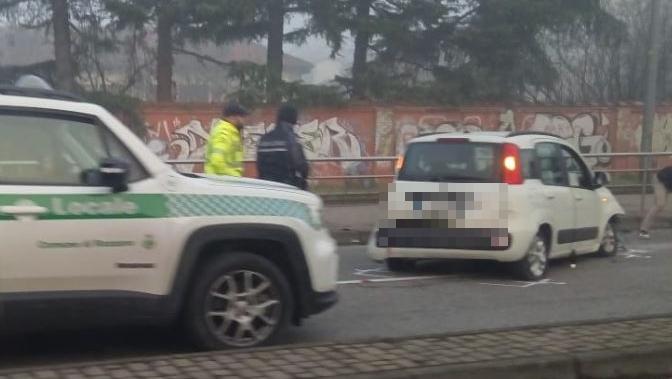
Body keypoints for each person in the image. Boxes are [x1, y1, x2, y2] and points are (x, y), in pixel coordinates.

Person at [256, 104, 309, 190]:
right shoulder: (291, 139)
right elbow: (301, 166)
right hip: (287, 188)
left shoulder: (264, 139)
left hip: (266, 188)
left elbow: (259, 166)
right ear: (294, 119)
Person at [205, 102, 249, 177]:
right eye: (243, 116)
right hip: (223, 183)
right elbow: (217, 160)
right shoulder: (224, 132)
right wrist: (231, 177)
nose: (245, 120)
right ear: (234, 117)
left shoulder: (230, 131)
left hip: (226, 182)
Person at [639, 165, 672, 239]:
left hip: (667, 182)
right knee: (659, 205)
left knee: (660, 205)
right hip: (660, 181)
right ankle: (643, 230)